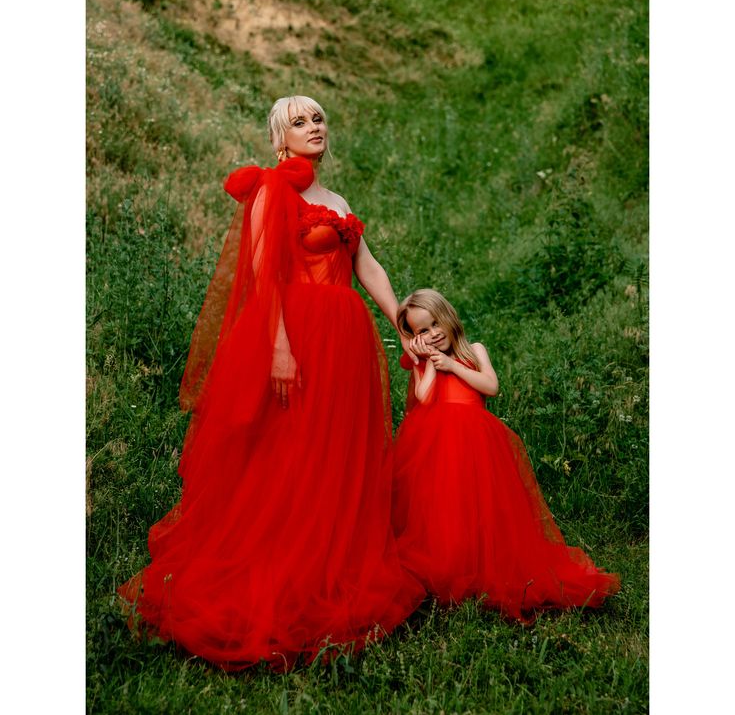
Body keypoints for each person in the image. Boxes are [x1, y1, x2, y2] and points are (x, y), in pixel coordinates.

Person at [118, 96, 424, 670]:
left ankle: (331, 563)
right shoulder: (269, 190)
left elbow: (368, 266)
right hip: (297, 337)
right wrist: (280, 347)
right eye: (301, 121)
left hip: (347, 342)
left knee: (335, 456)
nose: (315, 128)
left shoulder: (336, 201)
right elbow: (263, 272)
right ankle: (277, 571)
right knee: (287, 455)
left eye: (320, 118)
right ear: (279, 137)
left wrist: (401, 324)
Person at [391, 288, 620, 621]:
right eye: (422, 331)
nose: (433, 333)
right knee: (446, 504)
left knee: (482, 502)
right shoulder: (421, 361)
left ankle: (486, 562)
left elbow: (490, 386)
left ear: (447, 316)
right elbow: (424, 398)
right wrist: (427, 362)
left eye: (434, 323)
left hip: (479, 440)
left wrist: (453, 366)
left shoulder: (475, 351)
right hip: (438, 442)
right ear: (415, 337)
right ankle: (450, 566)